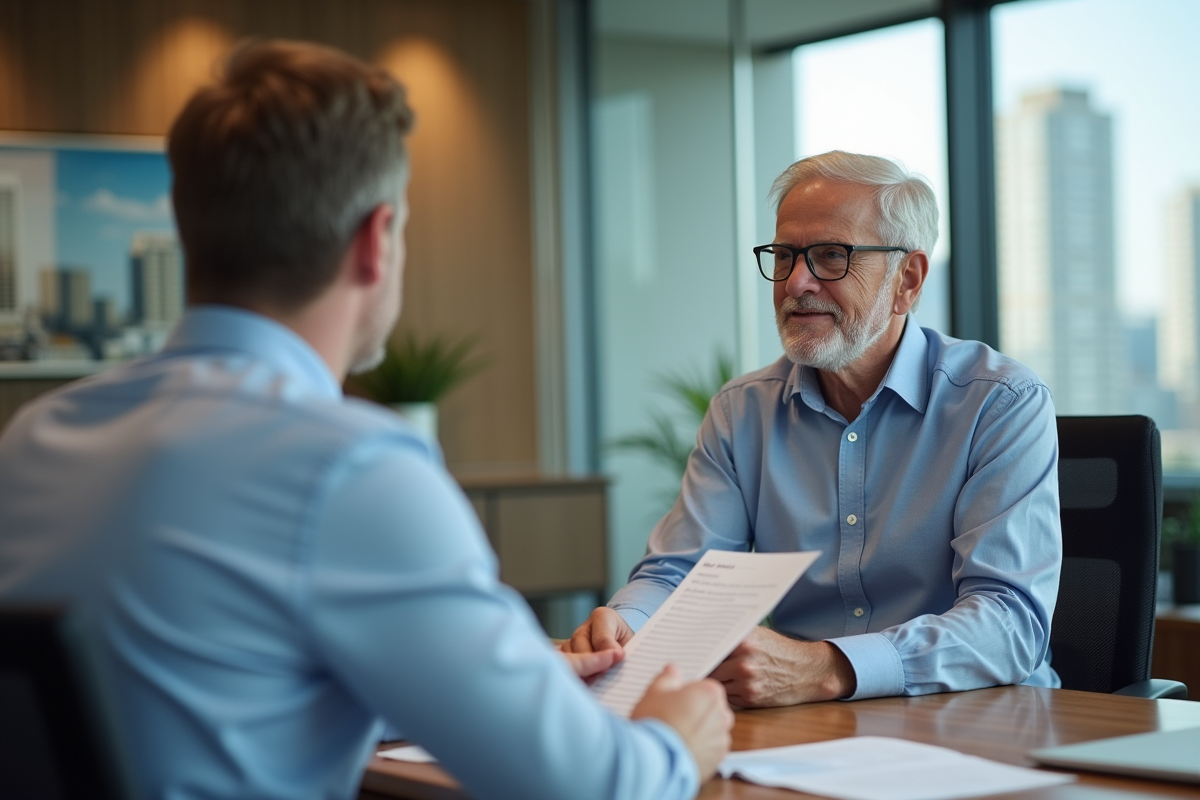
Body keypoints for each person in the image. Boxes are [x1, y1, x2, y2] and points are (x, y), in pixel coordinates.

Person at [0, 39, 731, 800]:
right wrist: (676, 739)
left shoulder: (38, 438)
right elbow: (592, 787)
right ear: (376, 241)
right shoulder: (350, 468)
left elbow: (210, 689)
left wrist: (482, 681)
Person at [566, 151, 1062, 707]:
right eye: (784, 255)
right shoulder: (741, 411)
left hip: (978, 722)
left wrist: (831, 668)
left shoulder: (999, 404)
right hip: (807, 724)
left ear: (907, 279)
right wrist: (626, 623)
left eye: (831, 256)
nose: (796, 281)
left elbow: (1010, 623)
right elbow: (680, 575)